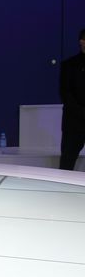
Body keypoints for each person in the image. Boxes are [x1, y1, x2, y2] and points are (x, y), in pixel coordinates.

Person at [59, 28, 85, 170]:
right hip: (74, 123)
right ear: (81, 42)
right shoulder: (69, 65)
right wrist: (81, 112)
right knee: (67, 162)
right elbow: (65, 93)